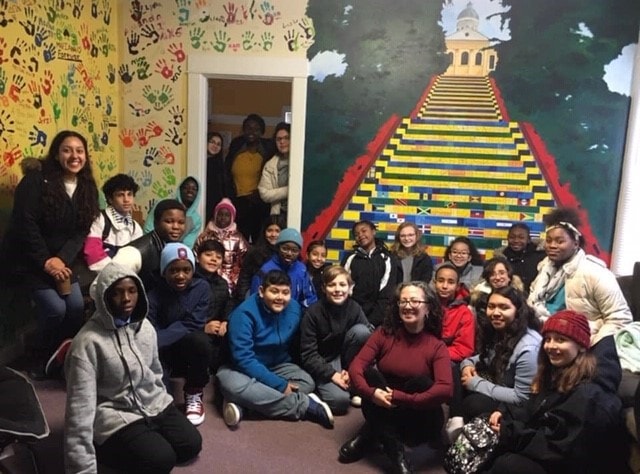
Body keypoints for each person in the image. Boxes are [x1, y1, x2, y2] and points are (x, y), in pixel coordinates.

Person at [64, 263, 202, 474]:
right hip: (113, 411)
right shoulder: (87, 343)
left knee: (191, 445)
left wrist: (161, 404)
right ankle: (104, 448)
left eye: (132, 291)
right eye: (117, 293)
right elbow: (79, 408)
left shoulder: (145, 327)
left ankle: (145, 439)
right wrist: (81, 467)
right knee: (161, 460)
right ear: (104, 297)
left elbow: (156, 372)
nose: (126, 298)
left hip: (150, 402)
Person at [0, 130, 100, 378]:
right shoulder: (35, 181)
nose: (74, 156)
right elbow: (26, 225)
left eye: (79, 150)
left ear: (86, 156)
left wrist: (61, 259)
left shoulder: (87, 187)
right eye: (67, 150)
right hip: (29, 261)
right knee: (56, 309)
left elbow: (81, 230)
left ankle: (62, 357)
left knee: (76, 306)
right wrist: (46, 261)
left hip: (63, 261)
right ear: (56, 154)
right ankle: (38, 357)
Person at [483, 310, 627, 474]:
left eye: (561, 340)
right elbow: (533, 410)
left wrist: (509, 432)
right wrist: (505, 414)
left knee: (509, 465)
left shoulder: (589, 396)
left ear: (580, 346)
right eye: (548, 339)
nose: (551, 346)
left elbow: (561, 449)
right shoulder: (555, 373)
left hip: (574, 465)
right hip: (555, 455)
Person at [339, 281, 453, 473]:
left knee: (421, 382)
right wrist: (372, 392)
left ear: (428, 308)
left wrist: (403, 398)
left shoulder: (436, 346)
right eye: (403, 301)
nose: (408, 306)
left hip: (419, 418)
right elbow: (356, 367)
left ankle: (368, 435)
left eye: (415, 301)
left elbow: (445, 389)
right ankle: (396, 454)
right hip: (383, 405)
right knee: (370, 375)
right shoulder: (384, 333)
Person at [216, 270, 334, 429]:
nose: (280, 297)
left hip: (278, 365)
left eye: (285, 292)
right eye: (274, 291)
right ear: (261, 291)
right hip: (239, 368)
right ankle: (305, 406)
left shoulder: (294, 308)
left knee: (307, 383)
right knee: (232, 385)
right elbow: (243, 359)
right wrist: (280, 385)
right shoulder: (243, 314)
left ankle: (246, 404)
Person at [527, 207, 632, 345]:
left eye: (559, 241)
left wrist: (590, 345)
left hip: (582, 348)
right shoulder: (544, 270)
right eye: (549, 240)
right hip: (543, 340)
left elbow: (620, 319)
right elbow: (532, 304)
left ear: (575, 243)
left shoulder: (594, 272)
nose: (552, 245)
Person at [450, 286, 541, 440]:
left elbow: (522, 398)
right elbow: (486, 357)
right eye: (491, 307)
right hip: (500, 382)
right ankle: (456, 422)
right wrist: (467, 364)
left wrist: (476, 383)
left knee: (474, 403)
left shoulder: (529, 348)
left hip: (518, 406)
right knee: (455, 368)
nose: (496, 313)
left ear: (518, 311)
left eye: (504, 307)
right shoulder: (504, 330)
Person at [147, 243, 212, 426]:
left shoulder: (202, 288)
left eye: (186, 270)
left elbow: (194, 323)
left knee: (202, 342)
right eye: (174, 270)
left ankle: (194, 391)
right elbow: (149, 330)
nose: (181, 275)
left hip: (184, 346)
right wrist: (157, 342)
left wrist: (159, 339)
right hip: (161, 352)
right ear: (164, 271)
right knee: (162, 406)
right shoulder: (153, 295)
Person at [300, 266, 373, 415]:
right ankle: (317, 392)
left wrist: (353, 370)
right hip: (324, 360)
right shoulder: (313, 313)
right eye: (331, 285)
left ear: (349, 288)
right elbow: (308, 354)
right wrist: (334, 375)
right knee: (340, 402)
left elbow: (369, 339)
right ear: (324, 288)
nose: (337, 289)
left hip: (347, 358)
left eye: (342, 284)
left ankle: (350, 380)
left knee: (362, 332)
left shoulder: (354, 307)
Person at [110, 199, 186, 292]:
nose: (176, 227)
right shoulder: (133, 253)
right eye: (169, 221)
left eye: (181, 222)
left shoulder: (179, 248)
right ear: (155, 223)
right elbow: (103, 286)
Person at [224, 113, 276, 243]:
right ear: (243, 130)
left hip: (260, 203)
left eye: (256, 129)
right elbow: (226, 173)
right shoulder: (236, 146)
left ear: (262, 132)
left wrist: (259, 194)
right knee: (239, 240)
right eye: (248, 128)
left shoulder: (268, 149)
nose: (251, 132)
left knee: (260, 239)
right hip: (238, 203)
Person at [342, 220, 397, 327]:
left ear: (373, 232)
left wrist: (372, 321)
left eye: (364, 231)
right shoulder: (350, 258)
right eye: (357, 234)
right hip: (352, 315)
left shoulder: (387, 258)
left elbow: (387, 292)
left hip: (379, 318)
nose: (361, 235)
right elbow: (344, 287)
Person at [83, 173, 143, 272]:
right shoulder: (99, 219)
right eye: (120, 195)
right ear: (110, 199)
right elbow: (92, 252)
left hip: (126, 277)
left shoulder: (135, 227)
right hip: (101, 275)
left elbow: (137, 256)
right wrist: (112, 273)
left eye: (129, 194)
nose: (126, 200)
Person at [250, 228, 317, 308]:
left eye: (294, 250)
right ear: (278, 248)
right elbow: (255, 300)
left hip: (296, 315)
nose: (289, 253)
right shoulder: (265, 270)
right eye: (285, 249)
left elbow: (310, 298)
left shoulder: (302, 270)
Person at [194, 198, 248, 296]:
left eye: (227, 215)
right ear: (215, 215)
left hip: (230, 284)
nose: (223, 217)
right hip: (205, 280)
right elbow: (195, 256)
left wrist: (235, 278)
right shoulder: (205, 236)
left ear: (232, 217)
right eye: (220, 214)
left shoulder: (238, 238)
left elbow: (244, 260)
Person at [193, 239, 232, 372]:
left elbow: (228, 304)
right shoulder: (189, 280)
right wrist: (203, 327)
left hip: (216, 329)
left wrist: (225, 321)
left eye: (218, 257)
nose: (213, 259)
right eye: (208, 255)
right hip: (194, 331)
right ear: (198, 257)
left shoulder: (222, 283)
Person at [235, 214, 286, 302]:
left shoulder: (287, 254)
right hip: (256, 298)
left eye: (278, 231)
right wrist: (245, 300)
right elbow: (244, 280)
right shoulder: (254, 253)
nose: (273, 234)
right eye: (269, 230)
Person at [433, 262, 475, 364]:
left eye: (451, 282)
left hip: (449, 359)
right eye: (440, 281)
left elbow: (463, 349)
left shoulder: (464, 313)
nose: (444, 286)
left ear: (457, 286)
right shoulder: (425, 305)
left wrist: (434, 354)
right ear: (434, 283)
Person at [145, 176, 203, 248]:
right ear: (180, 189)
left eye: (194, 189)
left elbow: (188, 244)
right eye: (186, 187)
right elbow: (148, 228)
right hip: (153, 246)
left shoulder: (196, 219)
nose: (190, 191)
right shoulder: (164, 204)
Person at [494, 223, 545, 293]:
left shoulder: (541, 254)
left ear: (528, 239)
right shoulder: (501, 258)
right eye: (512, 237)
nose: (516, 241)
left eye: (521, 237)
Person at [258, 121, 290, 217]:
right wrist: (289, 190)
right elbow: (264, 193)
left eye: (286, 138)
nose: (282, 142)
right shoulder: (270, 165)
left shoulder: (300, 162)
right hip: (279, 214)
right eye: (278, 139)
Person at [205, 131, 225, 221]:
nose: (215, 146)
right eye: (212, 142)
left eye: (218, 144)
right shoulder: (198, 163)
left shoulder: (220, 166)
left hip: (213, 205)